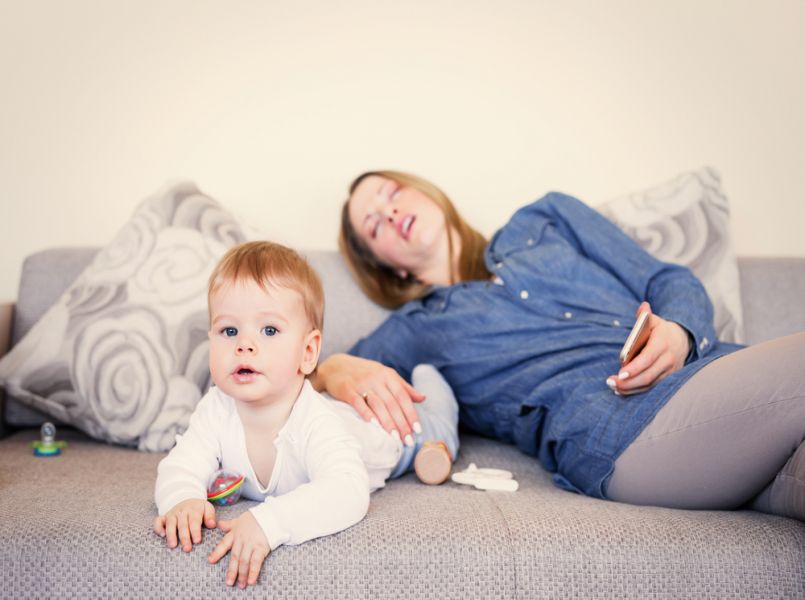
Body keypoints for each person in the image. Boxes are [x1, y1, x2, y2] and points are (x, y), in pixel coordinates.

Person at [311, 170, 805, 521]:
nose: (389, 210)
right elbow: (308, 377)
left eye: (391, 192)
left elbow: (664, 277)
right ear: (388, 265)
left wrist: (679, 329)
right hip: (618, 432)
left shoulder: (547, 218)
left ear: (427, 193)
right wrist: (335, 369)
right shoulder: (416, 327)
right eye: (374, 224)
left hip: (716, 382)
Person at [153, 241, 459, 589]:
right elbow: (181, 463)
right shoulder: (216, 408)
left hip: (382, 431)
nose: (244, 345)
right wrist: (183, 498)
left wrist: (270, 523)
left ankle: (434, 381)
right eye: (229, 330)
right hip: (333, 404)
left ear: (309, 351)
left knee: (431, 425)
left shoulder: (316, 422)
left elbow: (347, 491)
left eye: (268, 330)